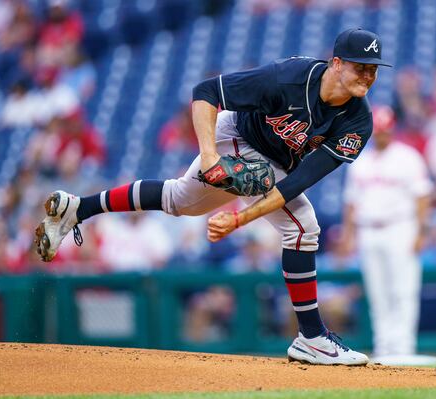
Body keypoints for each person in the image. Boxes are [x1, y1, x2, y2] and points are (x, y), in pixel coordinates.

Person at [34, 28, 391, 366]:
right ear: (337, 63)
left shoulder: (358, 122)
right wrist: (209, 157)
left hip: (277, 164)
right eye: (361, 67)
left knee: (179, 201)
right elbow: (206, 91)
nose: (368, 76)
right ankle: (312, 337)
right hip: (237, 134)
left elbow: (298, 182)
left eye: (373, 70)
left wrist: (239, 219)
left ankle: (79, 208)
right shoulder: (288, 78)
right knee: (303, 228)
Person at [342, 105, 436, 366]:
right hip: (368, 229)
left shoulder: (407, 157)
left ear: (393, 129)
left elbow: (422, 197)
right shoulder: (360, 161)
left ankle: (403, 347)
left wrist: (420, 232)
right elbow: (351, 202)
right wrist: (349, 235)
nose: (381, 135)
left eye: (385, 130)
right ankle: (384, 347)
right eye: (378, 131)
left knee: (403, 289)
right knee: (377, 292)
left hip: (400, 227)